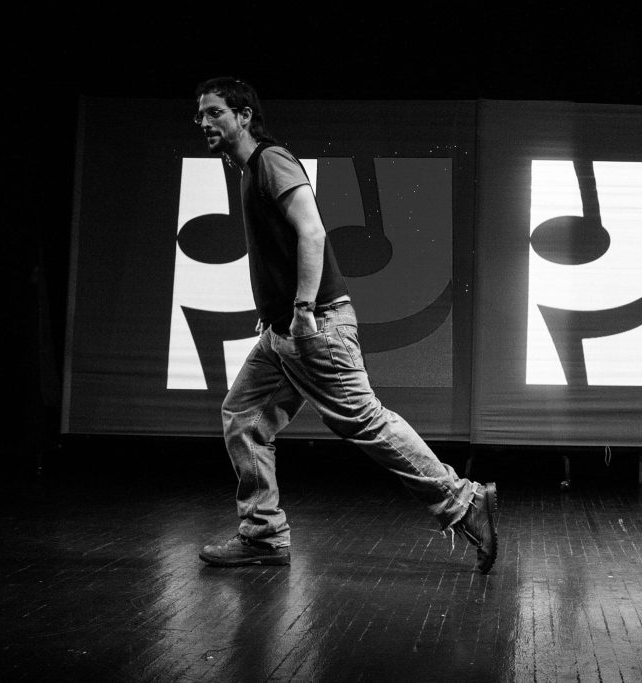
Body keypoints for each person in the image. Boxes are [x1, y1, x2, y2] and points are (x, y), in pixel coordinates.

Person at [194, 77, 498, 573]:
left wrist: (302, 308)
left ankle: (463, 500)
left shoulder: (270, 160)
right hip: (282, 333)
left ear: (244, 115)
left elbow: (312, 233)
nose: (203, 122)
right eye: (200, 115)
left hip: (313, 326)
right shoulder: (250, 169)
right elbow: (283, 247)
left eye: (213, 113)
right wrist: (276, 308)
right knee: (245, 417)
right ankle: (264, 535)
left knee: (365, 420)